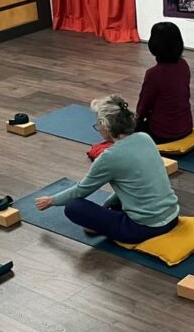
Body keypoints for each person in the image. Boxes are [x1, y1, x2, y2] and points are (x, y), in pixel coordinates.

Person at [35, 95, 180, 244]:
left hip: (145, 228)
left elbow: (81, 190)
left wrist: (51, 200)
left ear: (104, 125)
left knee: (73, 206)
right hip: (172, 216)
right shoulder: (145, 138)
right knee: (119, 194)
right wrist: (106, 205)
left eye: (98, 124)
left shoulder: (109, 157)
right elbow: (137, 184)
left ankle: (106, 227)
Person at [136, 22, 193, 143]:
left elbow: (143, 107)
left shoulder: (154, 74)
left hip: (163, 134)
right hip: (186, 127)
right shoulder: (184, 65)